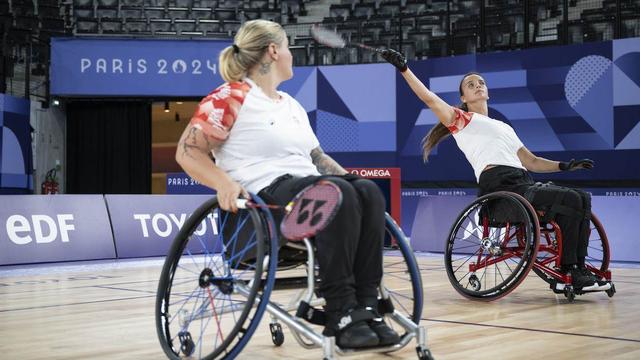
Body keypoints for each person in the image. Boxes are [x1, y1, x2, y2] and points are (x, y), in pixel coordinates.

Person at [175, 20, 400, 348]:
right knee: (337, 194)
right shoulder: (231, 95)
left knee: (365, 191)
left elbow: (318, 158)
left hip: (309, 188)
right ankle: (341, 312)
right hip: (265, 199)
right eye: (289, 48)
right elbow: (188, 150)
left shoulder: (291, 105)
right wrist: (223, 182)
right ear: (273, 50)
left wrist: (357, 185)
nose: (292, 55)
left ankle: (367, 307)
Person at [380, 49, 610, 292]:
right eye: (471, 84)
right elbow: (429, 98)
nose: (478, 86)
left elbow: (530, 161)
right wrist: (404, 69)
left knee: (581, 198)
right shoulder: (462, 119)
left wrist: (564, 166)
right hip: (501, 187)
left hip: (524, 182)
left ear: (487, 91)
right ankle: (570, 270)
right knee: (569, 198)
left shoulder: (503, 127)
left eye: (481, 83)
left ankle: (578, 267)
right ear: (464, 97)